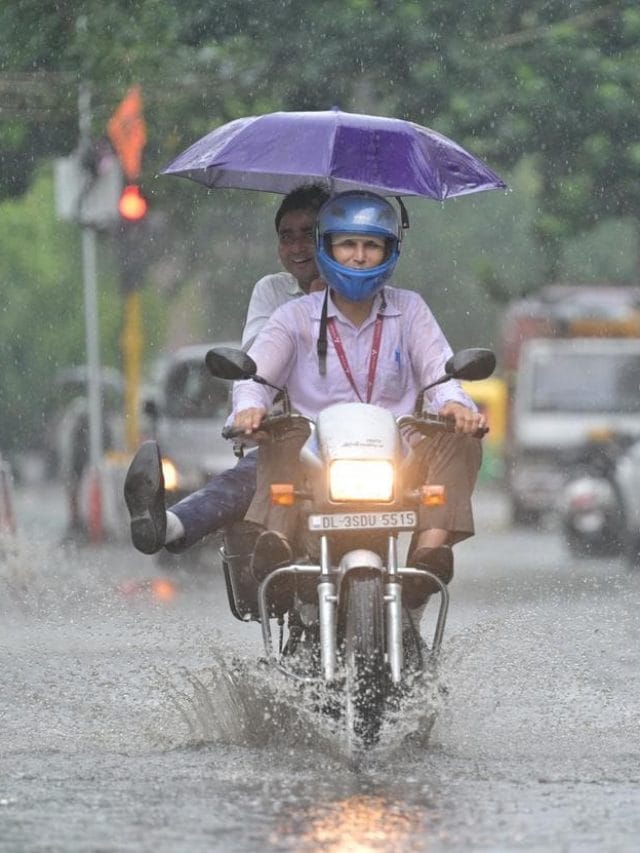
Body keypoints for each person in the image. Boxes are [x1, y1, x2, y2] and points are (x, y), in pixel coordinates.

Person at [231, 190, 486, 589]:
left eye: (372, 245)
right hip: (314, 452)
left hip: (397, 452)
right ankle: (276, 541)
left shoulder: (411, 309)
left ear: (390, 252)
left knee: (460, 439)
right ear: (326, 247)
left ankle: (428, 556)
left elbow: (440, 372)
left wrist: (456, 405)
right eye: (348, 244)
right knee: (283, 430)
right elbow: (256, 378)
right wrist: (250, 410)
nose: (360, 256)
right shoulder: (293, 315)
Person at [124, 183, 330, 555]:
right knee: (246, 478)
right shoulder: (272, 292)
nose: (299, 247)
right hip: (289, 438)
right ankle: (169, 525)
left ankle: (416, 578)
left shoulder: (377, 297)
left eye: (310, 235)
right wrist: (310, 309)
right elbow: (257, 364)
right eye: (288, 236)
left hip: (362, 447)